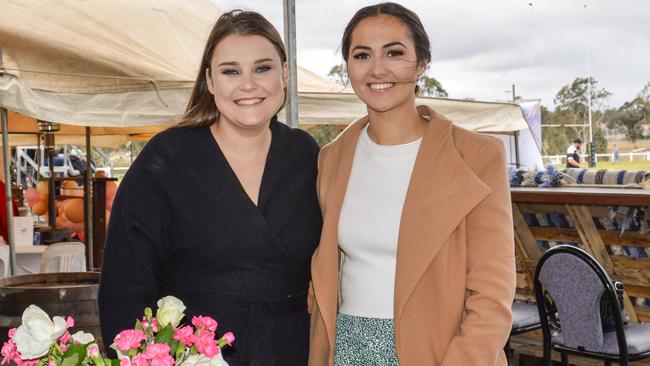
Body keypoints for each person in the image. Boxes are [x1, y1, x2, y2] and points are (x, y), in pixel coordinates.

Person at [98, 10, 322, 365]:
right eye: (231, 71)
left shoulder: (306, 155)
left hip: (293, 351)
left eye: (262, 68)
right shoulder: (166, 159)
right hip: (194, 356)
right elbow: (124, 285)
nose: (248, 85)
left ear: (285, 74)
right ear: (210, 81)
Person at [309, 3, 515, 365]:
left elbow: (492, 296)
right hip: (350, 348)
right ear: (349, 67)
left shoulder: (477, 155)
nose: (377, 68)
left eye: (394, 52)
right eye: (362, 55)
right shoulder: (332, 158)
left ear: (422, 64)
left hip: (438, 351)